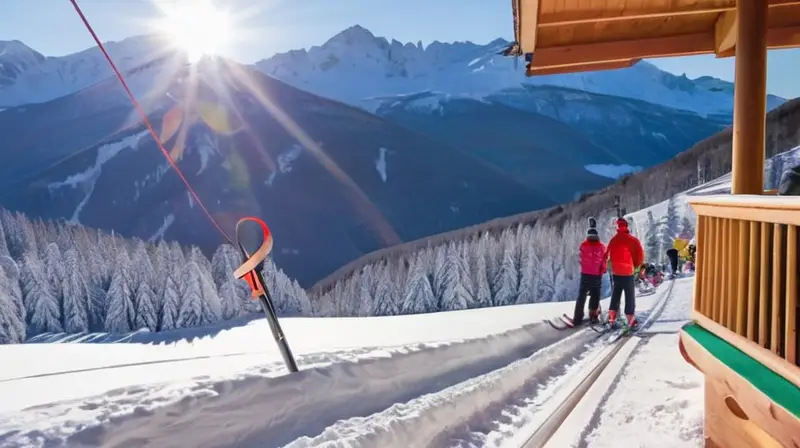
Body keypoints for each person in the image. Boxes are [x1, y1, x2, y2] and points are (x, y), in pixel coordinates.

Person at [606, 217, 644, 329]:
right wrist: (636, 266)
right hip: (628, 272)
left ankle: (612, 317)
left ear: (617, 227)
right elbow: (639, 256)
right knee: (629, 295)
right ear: (627, 227)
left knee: (616, 293)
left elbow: (607, 254)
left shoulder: (613, 240)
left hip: (616, 271)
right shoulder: (633, 240)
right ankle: (630, 318)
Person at [572, 217, 606, 326]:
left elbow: (580, 258)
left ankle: (577, 318)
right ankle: (593, 316)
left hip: (585, 275)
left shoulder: (583, 245)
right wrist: (602, 271)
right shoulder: (601, 247)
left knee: (582, 295)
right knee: (595, 295)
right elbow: (604, 261)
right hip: (596, 275)